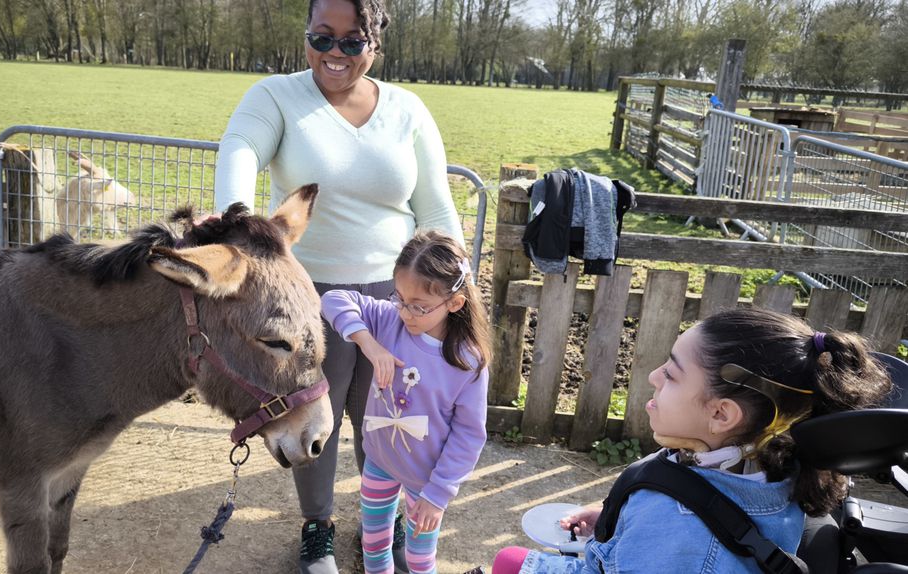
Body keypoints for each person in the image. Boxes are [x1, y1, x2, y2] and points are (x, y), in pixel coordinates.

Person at [212, 0, 463, 570]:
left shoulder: (407, 109)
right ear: (306, 35)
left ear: (375, 43)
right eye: (322, 37)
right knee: (309, 411)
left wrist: (453, 288)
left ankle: (384, 520)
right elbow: (241, 148)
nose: (335, 53)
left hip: (398, 302)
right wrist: (236, 223)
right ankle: (317, 527)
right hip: (308, 299)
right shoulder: (276, 97)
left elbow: (435, 206)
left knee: (392, 416)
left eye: (353, 42)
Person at [492, 307, 893, 574]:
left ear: (721, 414)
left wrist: (649, 527)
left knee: (505, 561)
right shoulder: (766, 457)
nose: (653, 376)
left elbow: (681, 533)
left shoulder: (678, 531)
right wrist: (617, 514)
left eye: (671, 373)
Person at [320, 230, 491, 574]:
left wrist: (437, 495)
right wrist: (368, 343)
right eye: (399, 298)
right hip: (379, 459)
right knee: (374, 543)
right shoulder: (389, 320)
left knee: (418, 558)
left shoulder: (466, 362)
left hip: (425, 480)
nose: (407, 313)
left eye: (420, 306)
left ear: (454, 303)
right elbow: (332, 299)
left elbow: (469, 435)